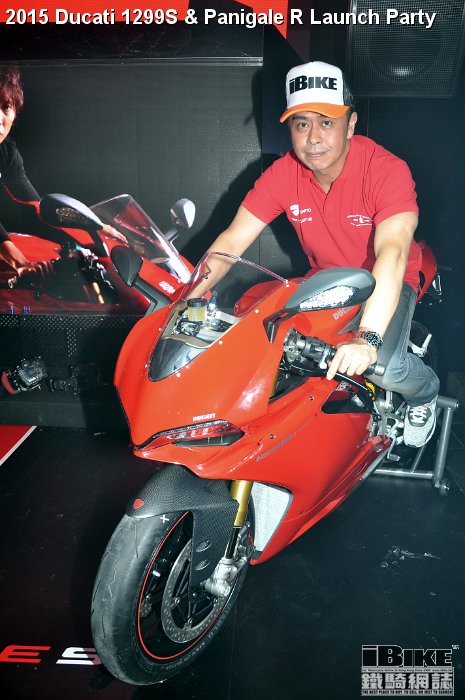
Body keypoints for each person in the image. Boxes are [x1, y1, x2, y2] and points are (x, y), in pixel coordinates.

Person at [193, 60, 440, 448]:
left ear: (351, 124)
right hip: (326, 281)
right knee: (257, 339)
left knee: (384, 367)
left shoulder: (387, 171)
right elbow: (232, 241)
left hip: (386, 280)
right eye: (301, 123)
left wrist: (368, 338)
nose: (313, 138)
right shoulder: (282, 174)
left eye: (326, 122)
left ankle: (425, 393)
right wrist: (184, 299)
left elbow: (392, 254)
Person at [0, 65, 125, 277]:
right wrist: (20, 263)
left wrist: (92, 226)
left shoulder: (6, 153)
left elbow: (36, 206)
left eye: (6, 107)